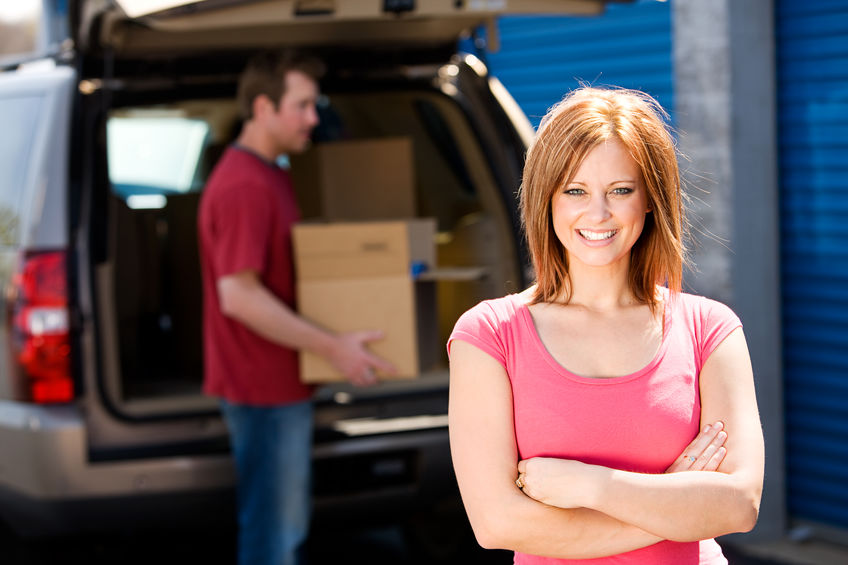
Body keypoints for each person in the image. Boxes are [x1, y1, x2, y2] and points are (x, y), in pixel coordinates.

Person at [447, 86, 764, 564]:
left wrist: (591, 486)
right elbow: (498, 525)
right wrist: (674, 502)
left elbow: (738, 506)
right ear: (546, 200)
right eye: (575, 190)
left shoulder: (708, 329)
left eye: (621, 190)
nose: (598, 214)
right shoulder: (490, 335)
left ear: (651, 199)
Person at [198, 50, 395, 565]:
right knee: (273, 538)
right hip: (261, 387)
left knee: (283, 527)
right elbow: (237, 296)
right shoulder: (243, 185)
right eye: (303, 105)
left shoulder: (270, 173)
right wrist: (334, 347)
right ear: (263, 107)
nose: (314, 118)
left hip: (279, 381)